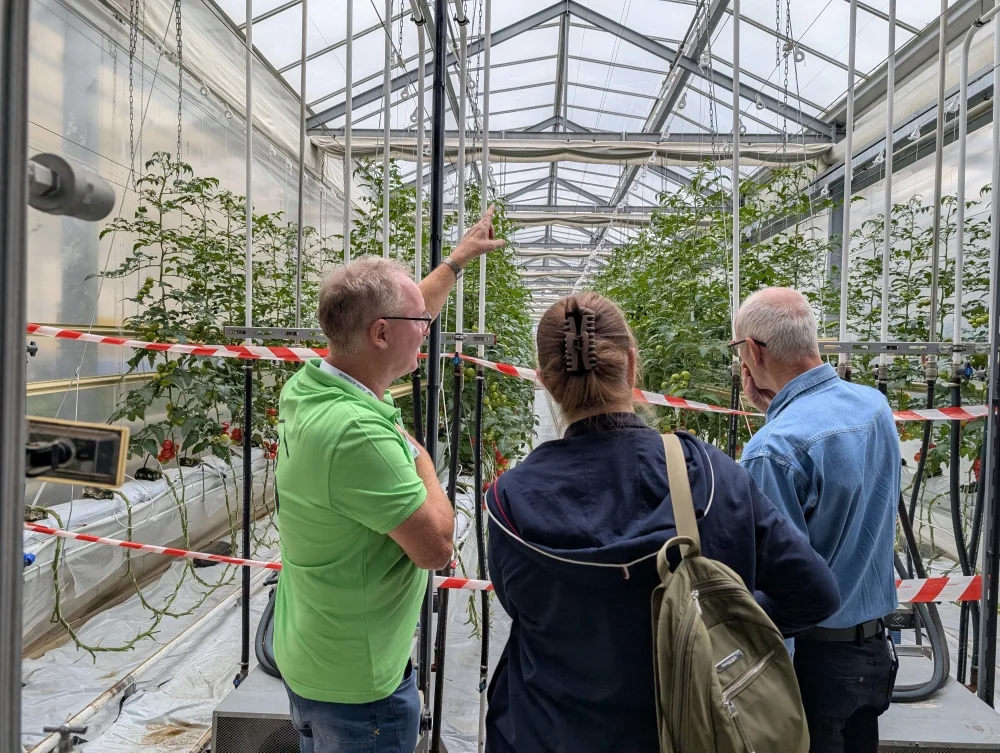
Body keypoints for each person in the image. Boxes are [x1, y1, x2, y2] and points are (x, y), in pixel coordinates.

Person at [484, 291, 840, 753]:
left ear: (544, 382)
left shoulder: (509, 502)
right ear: (633, 366)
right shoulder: (710, 476)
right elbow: (815, 592)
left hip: (549, 730)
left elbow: (521, 607)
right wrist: (713, 627)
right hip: (692, 730)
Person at [272, 208, 505, 753]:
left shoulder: (310, 385)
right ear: (380, 334)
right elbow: (436, 548)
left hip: (317, 651)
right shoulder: (358, 433)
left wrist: (455, 262)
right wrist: (419, 454)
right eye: (420, 327)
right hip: (359, 690)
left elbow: (400, 314)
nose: (427, 332)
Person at [736, 287, 900, 753]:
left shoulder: (773, 451)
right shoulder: (873, 407)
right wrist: (775, 410)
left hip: (812, 667)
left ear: (752, 350)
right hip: (871, 656)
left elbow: (779, 582)